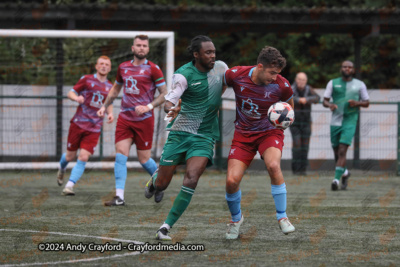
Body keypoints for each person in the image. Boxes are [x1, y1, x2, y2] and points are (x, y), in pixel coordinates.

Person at [144, 35, 228, 240]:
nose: (212, 56)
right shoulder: (183, 75)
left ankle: (165, 227)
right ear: (196, 54)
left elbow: (223, 87)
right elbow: (168, 101)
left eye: (214, 52)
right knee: (163, 184)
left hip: (205, 136)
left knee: (191, 179)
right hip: (180, 133)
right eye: (208, 52)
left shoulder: (221, 68)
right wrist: (172, 109)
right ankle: (155, 180)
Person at [223, 46, 295, 240]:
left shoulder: (282, 85)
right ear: (260, 66)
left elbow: (289, 106)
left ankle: (282, 217)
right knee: (231, 181)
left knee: (273, 165)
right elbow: (220, 84)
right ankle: (236, 219)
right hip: (243, 135)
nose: (274, 77)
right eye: (272, 73)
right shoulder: (236, 74)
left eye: (277, 73)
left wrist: (285, 121)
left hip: (269, 133)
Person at [97, 35, 167, 206]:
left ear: (148, 49)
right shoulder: (123, 67)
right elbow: (114, 90)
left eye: (144, 45)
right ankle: (119, 197)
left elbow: (165, 93)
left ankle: (159, 184)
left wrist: (148, 107)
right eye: (138, 45)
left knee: (144, 159)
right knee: (121, 156)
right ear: (132, 48)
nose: (141, 48)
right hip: (125, 119)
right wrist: (104, 106)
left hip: (145, 120)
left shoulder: (153, 69)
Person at [57, 56, 114, 195]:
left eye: (107, 64)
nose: (104, 66)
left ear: (110, 68)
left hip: (94, 127)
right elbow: (71, 92)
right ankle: (62, 169)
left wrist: (110, 114)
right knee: (70, 156)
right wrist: (76, 98)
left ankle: (69, 186)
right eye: (101, 63)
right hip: (78, 123)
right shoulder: (86, 79)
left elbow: (109, 102)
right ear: (96, 66)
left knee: (83, 157)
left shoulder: (111, 86)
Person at [323, 60, 369, 191]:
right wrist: (330, 105)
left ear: (353, 70)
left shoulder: (360, 85)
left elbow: (366, 102)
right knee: (337, 153)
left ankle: (335, 181)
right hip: (335, 122)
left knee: (343, 150)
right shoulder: (332, 83)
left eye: (349, 67)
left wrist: (357, 103)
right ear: (341, 69)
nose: (347, 69)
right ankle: (345, 172)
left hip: (350, 121)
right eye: (344, 67)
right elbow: (324, 101)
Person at [290, 72, 320, 175]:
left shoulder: (309, 89)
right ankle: (295, 169)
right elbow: (286, 98)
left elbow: (317, 98)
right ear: (296, 80)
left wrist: (306, 100)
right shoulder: (291, 89)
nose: (301, 82)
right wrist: (298, 100)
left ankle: (303, 170)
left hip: (307, 122)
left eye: (303, 80)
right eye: (299, 79)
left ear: (306, 81)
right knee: (297, 144)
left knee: (305, 146)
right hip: (294, 122)